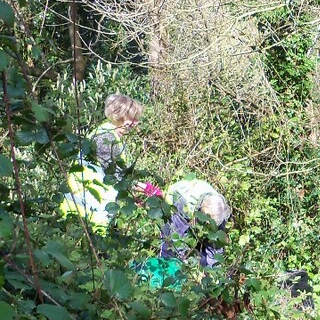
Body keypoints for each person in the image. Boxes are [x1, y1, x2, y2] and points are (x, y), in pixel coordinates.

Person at [59, 94, 145, 230]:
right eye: (132, 118)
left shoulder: (108, 133)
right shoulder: (105, 138)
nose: (135, 123)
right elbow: (117, 175)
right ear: (119, 117)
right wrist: (149, 190)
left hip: (88, 208)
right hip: (86, 210)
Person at [159, 178, 232, 268]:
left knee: (204, 257)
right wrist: (187, 265)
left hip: (195, 215)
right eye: (208, 224)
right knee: (170, 253)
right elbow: (178, 239)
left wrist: (214, 273)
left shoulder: (219, 211)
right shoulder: (184, 204)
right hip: (175, 211)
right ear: (202, 212)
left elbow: (216, 249)